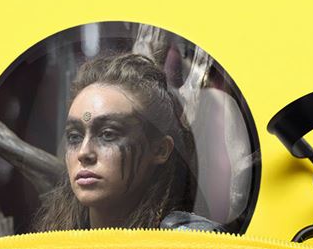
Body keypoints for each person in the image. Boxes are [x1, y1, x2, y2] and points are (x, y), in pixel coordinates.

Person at [32, 52, 199, 231]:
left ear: (160, 150)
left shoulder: (193, 242)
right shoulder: (52, 241)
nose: (83, 153)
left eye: (108, 134)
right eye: (74, 137)